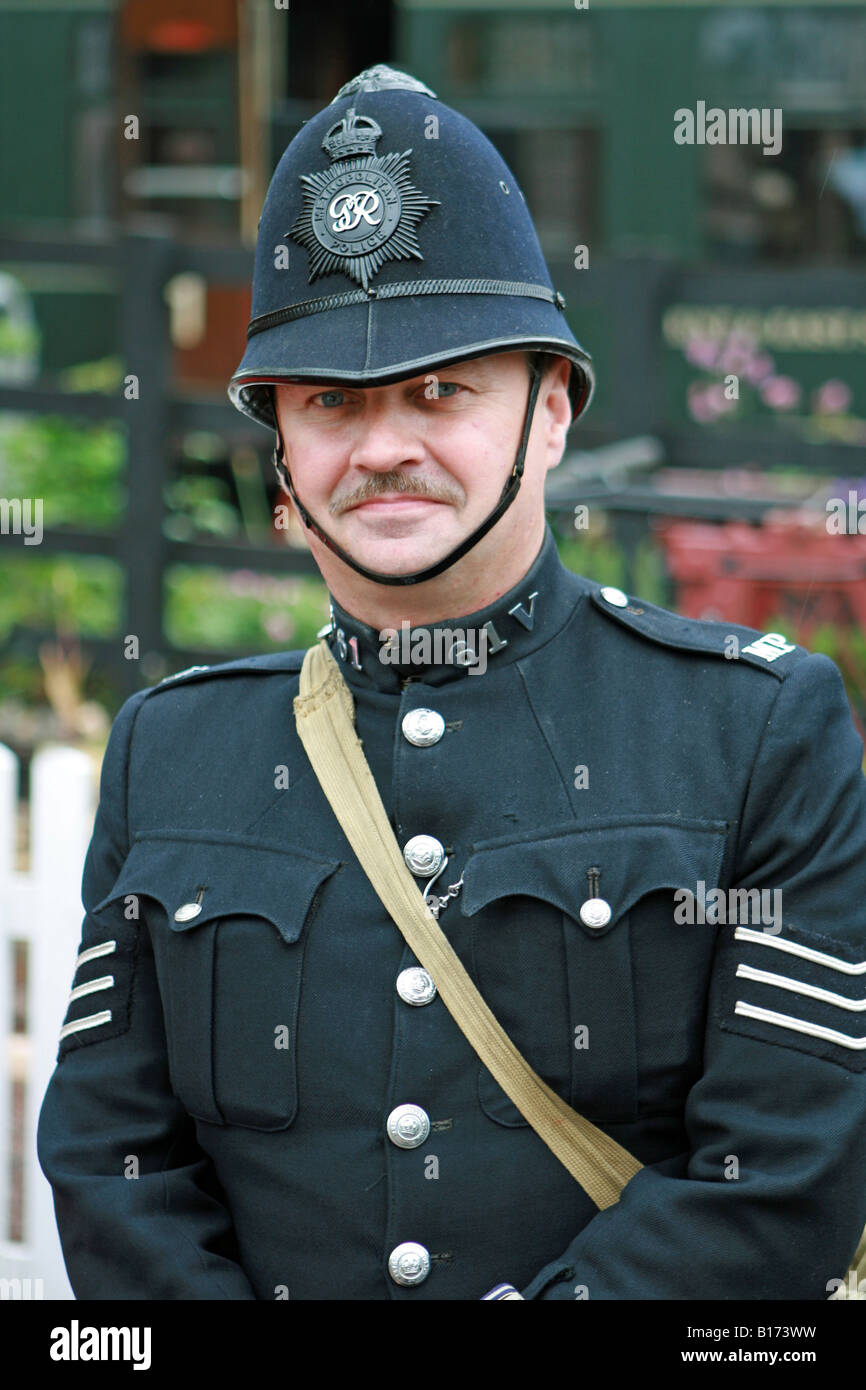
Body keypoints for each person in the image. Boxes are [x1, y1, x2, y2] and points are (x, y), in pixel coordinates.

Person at [38, 64, 866, 1301]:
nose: (381, 447)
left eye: (440, 390)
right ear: (279, 445)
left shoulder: (753, 733)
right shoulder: (173, 752)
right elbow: (115, 1172)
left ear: (552, 410)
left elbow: (781, 1178)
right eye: (330, 401)